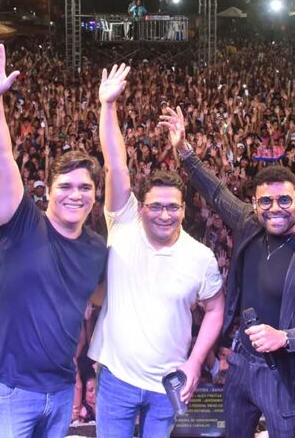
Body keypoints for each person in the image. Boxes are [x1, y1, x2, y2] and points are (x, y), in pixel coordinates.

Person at [160, 106, 295, 438]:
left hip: (287, 376)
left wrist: (286, 337)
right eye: (265, 202)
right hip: (241, 364)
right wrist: (185, 151)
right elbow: (217, 193)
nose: (274, 208)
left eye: (283, 200)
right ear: (255, 203)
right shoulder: (250, 222)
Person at [0, 42, 108, 438]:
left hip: (62, 390)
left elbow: (101, 301)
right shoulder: (23, 223)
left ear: (95, 194)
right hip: (6, 388)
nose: (75, 194)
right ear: (47, 191)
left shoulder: (97, 247)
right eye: (65, 185)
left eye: (85, 187)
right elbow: (1, 164)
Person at [89, 64, 225, 437]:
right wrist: (108, 107)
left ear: (184, 209)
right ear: (141, 206)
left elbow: (215, 309)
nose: (164, 215)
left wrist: (195, 362)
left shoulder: (201, 257)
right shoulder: (125, 222)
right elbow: (116, 166)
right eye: (156, 206)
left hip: (170, 384)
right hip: (116, 378)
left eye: (173, 207)